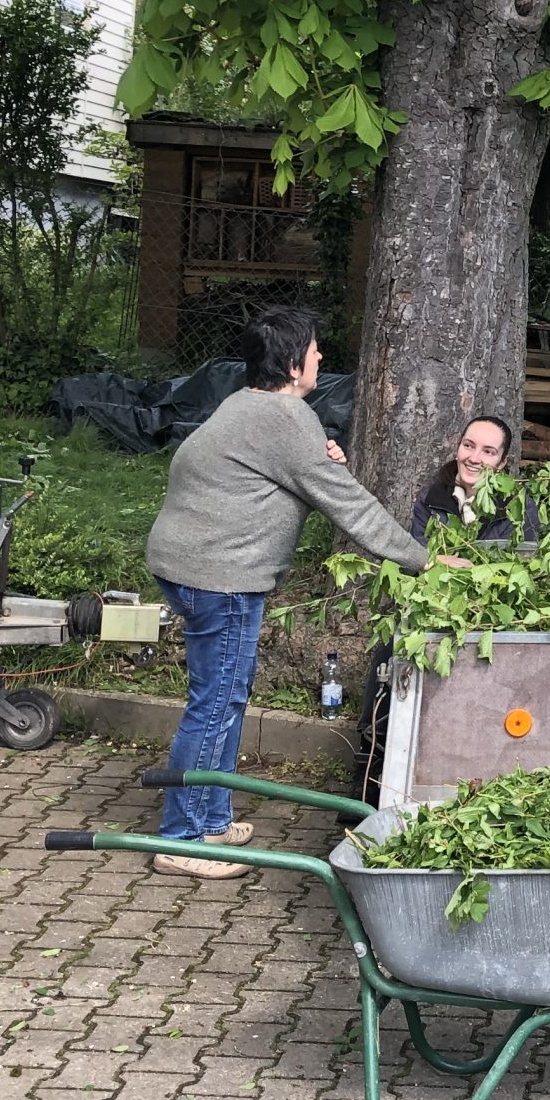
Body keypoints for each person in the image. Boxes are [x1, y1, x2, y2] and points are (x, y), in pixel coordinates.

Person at [144, 306, 444, 878]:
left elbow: (276, 477)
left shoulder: (246, 403)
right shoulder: (285, 418)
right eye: (314, 349)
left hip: (187, 565)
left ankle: (210, 819)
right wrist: (422, 560)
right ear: (291, 363)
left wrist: (320, 461)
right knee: (215, 704)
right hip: (220, 578)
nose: (321, 357)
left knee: (222, 697)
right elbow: (350, 506)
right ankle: (182, 840)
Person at [409, 413, 541, 546]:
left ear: (501, 462)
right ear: (458, 448)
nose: (474, 459)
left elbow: (522, 561)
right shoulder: (430, 499)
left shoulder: (519, 508)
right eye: (468, 446)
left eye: (488, 452)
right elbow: (418, 558)